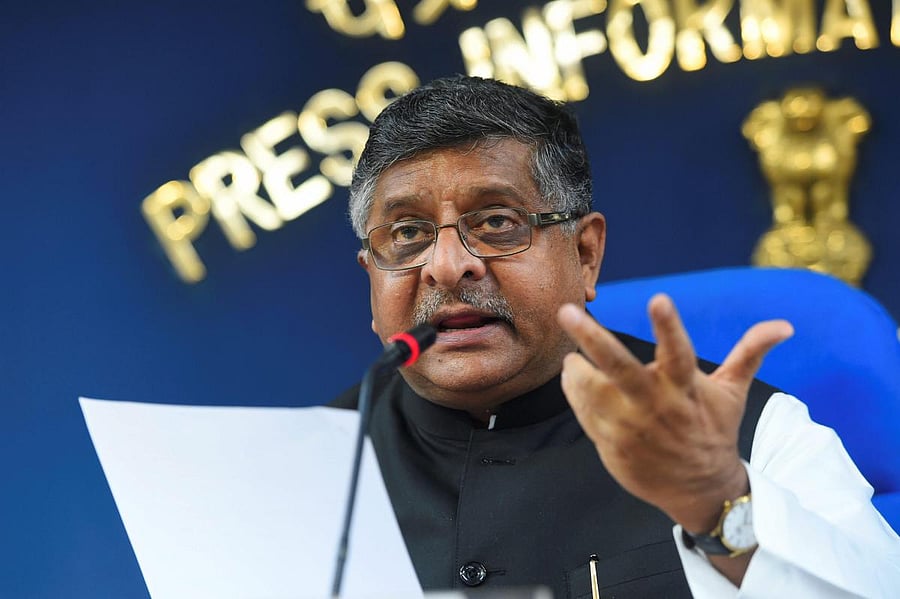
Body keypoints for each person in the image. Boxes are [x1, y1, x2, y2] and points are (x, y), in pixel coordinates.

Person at [331, 75, 900, 597]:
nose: (448, 266)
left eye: (497, 222)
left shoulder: (759, 438)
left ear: (585, 254)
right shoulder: (303, 465)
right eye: (407, 232)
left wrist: (718, 504)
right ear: (370, 279)